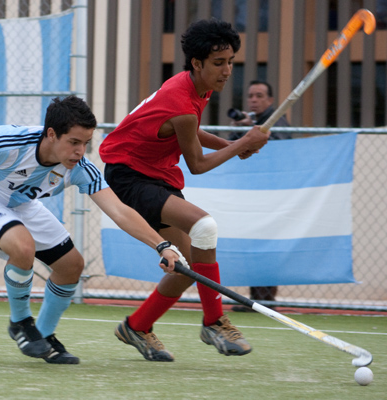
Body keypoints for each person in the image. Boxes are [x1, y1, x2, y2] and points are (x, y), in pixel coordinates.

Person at [0, 95, 184, 365]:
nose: (80, 151)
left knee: (71, 265)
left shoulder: (80, 169)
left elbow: (119, 211)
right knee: (23, 246)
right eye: (74, 142)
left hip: (20, 204)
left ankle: (42, 335)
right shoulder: (10, 143)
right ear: (52, 134)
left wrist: (162, 246)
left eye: (86, 143)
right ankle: (21, 324)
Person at [99, 18, 270, 362]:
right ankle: (214, 322)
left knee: (189, 263)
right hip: (129, 176)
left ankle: (137, 326)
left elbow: (188, 129)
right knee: (205, 226)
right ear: (197, 63)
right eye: (219, 63)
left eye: (230, 62)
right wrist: (241, 144)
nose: (226, 71)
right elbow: (197, 163)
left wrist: (233, 142)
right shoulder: (181, 99)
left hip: (155, 174)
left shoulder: (194, 86)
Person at [228, 80, 291, 311]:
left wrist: (253, 130)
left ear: (270, 100)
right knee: (252, 244)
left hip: (272, 195)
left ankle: (265, 300)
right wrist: (240, 128)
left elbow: (282, 148)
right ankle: (256, 300)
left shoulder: (277, 121)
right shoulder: (250, 122)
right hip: (250, 193)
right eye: (251, 95)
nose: (254, 100)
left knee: (267, 244)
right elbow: (231, 147)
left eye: (259, 95)